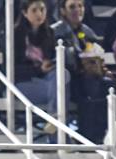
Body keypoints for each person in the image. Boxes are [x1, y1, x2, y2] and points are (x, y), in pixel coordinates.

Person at [52, 0, 112, 142]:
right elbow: (61, 59)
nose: (77, 10)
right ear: (63, 11)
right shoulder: (55, 31)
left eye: (80, 6)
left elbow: (97, 53)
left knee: (109, 83)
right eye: (72, 7)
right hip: (67, 80)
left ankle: (101, 134)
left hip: (87, 77)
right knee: (91, 86)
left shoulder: (87, 31)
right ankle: (88, 137)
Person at [13, 0, 70, 128]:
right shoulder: (15, 34)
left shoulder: (49, 32)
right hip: (23, 82)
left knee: (63, 74)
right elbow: (13, 69)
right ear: (24, 13)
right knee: (60, 90)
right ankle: (57, 122)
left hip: (46, 80)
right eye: (34, 10)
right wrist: (38, 69)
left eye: (42, 9)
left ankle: (54, 120)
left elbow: (52, 59)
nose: (39, 14)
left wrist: (51, 64)